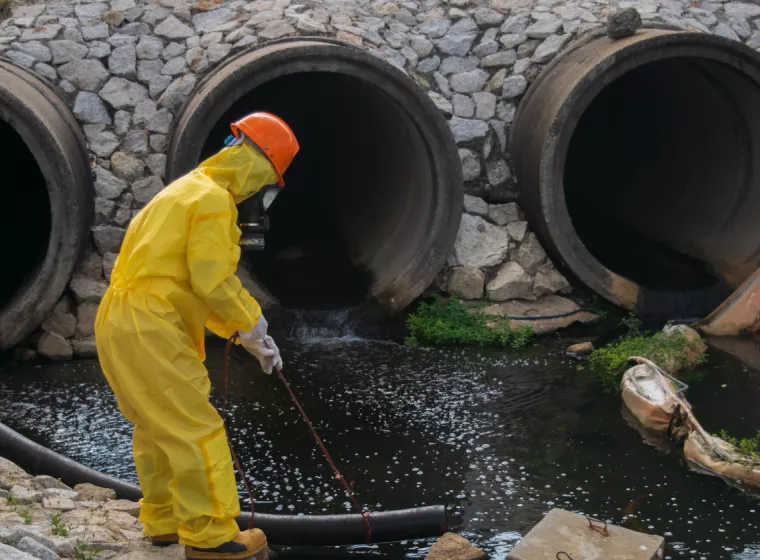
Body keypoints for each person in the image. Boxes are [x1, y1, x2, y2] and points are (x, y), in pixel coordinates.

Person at [95, 112, 299, 560]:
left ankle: (166, 521)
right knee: (195, 427)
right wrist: (252, 322)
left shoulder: (183, 190)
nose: (258, 191)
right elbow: (211, 280)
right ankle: (210, 537)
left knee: (155, 425)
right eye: (268, 179)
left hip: (120, 315)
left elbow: (180, 280)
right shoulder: (212, 200)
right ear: (258, 164)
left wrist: (240, 332)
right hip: (152, 323)